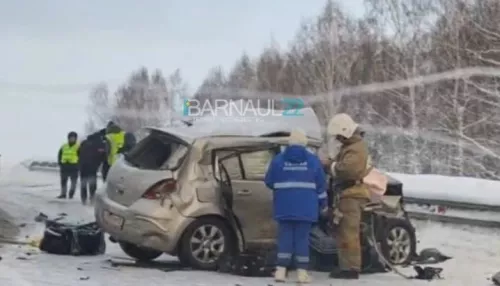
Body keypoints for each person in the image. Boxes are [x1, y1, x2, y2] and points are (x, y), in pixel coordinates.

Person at [264, 129, 327, 284]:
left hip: (284, 206)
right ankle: (301, 274)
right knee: (302, 239)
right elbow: (321, 186)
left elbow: (269, 181)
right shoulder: (312, 160)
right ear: (305, 143)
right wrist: (323, 204)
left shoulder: (278, 160)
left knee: (285, 238)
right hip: (306, 207)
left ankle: (280, 271)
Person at [325, 113, 371, 280]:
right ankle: (346, 265)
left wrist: (330, 165)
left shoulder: (356, 148)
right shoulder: (352, 147)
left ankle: (350, 268)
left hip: (352, 195)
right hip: (348, 194)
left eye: (339, 135)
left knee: (349, 232)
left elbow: (347, 170)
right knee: (345, 232)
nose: (338, 139)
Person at [78, 131, 107, 205]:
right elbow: (104, 156)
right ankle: (92, 199)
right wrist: (99, 163)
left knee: (83, 183)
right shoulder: (100, 144)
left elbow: (78, 152)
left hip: (83, 166)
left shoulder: (84, 142)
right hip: (93, 167)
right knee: (92, 184)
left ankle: (83, 199)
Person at [57, 131, 80, 199]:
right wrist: (60, 163)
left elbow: (81, 156)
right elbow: (59, 155)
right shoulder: (64, 146)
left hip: (74, 167)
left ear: (76, 138)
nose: (72, 139)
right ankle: (63, 194)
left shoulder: (78, 147)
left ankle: (71, 193)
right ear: (68, 138)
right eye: (71, 138)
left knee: (73, 182)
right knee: (63, 181)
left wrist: (79, 165)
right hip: (64, 166)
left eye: (73, 138)